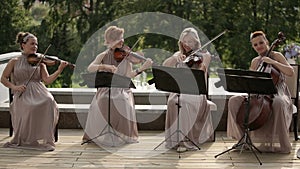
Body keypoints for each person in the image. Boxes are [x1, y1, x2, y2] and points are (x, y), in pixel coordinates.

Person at [82, 26, 153, 146]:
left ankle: (119, 133)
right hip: (106, 88)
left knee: (120, 100)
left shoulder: (125, 57)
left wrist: (141, 69)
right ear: (109, 41)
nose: (122, 41)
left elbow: (129, 75)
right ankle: (103, 133)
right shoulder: (103, 55)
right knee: (105, 99)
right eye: (118, 39)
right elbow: (90, 67)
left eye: (122, 38)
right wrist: (105, 67)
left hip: (122, 90)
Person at [227, 31, 294, 153]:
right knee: (233, 101)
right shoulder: (255, 61)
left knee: (278, 102)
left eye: (261, 42)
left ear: (267, 42)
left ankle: (284, 144)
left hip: (278, 92)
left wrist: (273, 62)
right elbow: (251, 82)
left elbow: (290, 72)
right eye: (255, 45)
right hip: (257, 94)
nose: (259, 46)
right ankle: (243, 140)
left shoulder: (277, 55)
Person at [0, 32, 68, 151]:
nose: (35, 47)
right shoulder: (14, 61)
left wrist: (59, 70)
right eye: (32, 44)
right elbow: (3, 78)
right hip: (22, 92)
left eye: (36, 44)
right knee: (30, 106)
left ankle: (46, 138)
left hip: (39, 90)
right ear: (23, 45)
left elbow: (47, 80)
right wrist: (14, 87)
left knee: (48, 101)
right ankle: (29, 138)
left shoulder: (40, 61)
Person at [162, 27, 214, 152]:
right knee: (172, 100)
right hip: (180, 91)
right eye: (184, 41)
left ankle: (185, 141)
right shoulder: (179, 55)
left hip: (197, 93)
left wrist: (201, 62)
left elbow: (202, 73)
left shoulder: (205, 55)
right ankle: (174, 139)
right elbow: (165, 65)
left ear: (196, 42)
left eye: (190, 41)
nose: (186, 44)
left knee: (184, 101)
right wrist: (175, 58)